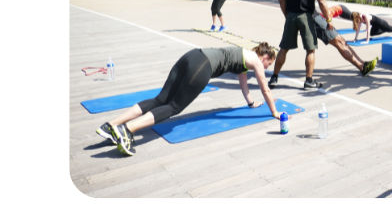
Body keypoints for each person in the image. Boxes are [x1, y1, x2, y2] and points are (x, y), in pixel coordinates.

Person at [95, 43, 285, 156]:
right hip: (203, 66)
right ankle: (127, 130)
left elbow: (244, 86)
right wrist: (274, 112)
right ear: (266, 56)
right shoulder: (256, 62)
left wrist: (251, 103)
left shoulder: (245, 56)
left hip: (193, 55)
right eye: (269, 63)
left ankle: (111, 125)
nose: (267, 67)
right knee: (174, 106)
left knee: (160, 99)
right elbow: (266, 90)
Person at [270, 0, 377, 88]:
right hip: (313, 19)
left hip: (294, 19)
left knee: (284, 49)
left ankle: (274, 77)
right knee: (339, 41)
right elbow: (309, 0)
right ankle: (362, 67)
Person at [275, 0, 335, 91]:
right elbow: (321, 1)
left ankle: (274, 77)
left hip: (291, 15)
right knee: (310, 49)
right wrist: (328, 19)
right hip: (306, 16)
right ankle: (308, 81)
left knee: (284, 48)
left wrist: (287, 15)